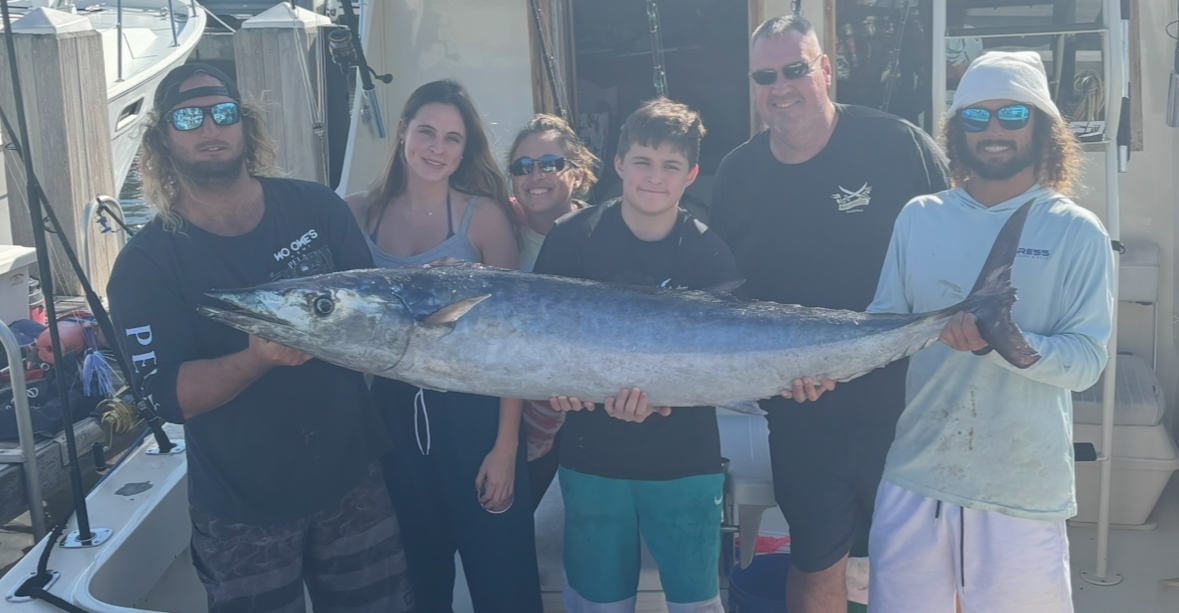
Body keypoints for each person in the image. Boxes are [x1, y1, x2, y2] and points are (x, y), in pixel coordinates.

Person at [107, 63, 414, 612]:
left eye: (223, 113)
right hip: (240, 507)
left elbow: (381, 316)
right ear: (161, 139)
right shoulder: (144, 264)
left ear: (244, 125)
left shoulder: (316, 207)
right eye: (188, 117)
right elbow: (167, 397)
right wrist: (255, 359)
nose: (210, 129)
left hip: (351, 478)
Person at [708, 15, 950, 613]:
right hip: (799, 412)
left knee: (925, 568)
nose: (781, 87)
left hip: (905, 409)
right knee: (815, 562)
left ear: (824, 70)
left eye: (795, 69)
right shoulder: (737, 174)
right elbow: (726, 299)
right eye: (766, 76)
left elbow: (952, 252)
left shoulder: (899, 145)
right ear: (753, 84)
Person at [866, 51, 1114, 613]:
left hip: (1022, 493)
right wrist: (820, 368)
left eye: (1012, 115)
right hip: (916, 478)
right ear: (957, 132)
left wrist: (1000, 343)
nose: (994, 131)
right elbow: (884, 326)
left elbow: (1085, 361)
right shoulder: (918, 216)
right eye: (976, 118)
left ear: (1043, 127)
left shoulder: (1077, 231)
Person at [344, 79, 543, 613]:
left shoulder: (484, 218)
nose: (437, 148)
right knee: (417, 585)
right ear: (403, 131)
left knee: (505, 586)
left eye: (452, 138)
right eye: (426, 132)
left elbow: (513, 343)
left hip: (477, 420)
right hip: (390, 423)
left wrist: (505, 450)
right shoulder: (357, 212)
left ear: (465, 149)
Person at [540, 98, 739, 613]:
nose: (655, 177)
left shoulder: (709, 252)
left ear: (691, 175)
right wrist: (561, 387)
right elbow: (543, 343)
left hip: (685, 464)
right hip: (592, 463)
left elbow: (728, 362)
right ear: (620, 164)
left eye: (671, 166)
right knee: (596, 604)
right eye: (644, 162)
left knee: (697, 604)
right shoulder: (569, 240)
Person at [504, 113, 601, 511]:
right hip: (516, 412)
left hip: (591, 406)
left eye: (550, 164)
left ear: (577, 174)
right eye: (522, 167)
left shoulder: (604, 230)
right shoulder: (496, 224)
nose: (535, 175)